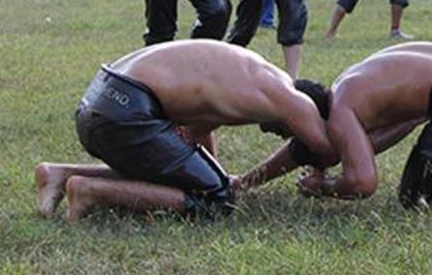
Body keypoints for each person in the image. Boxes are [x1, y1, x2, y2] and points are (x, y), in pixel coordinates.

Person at [234, 38, 432, 211]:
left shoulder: (342, 115)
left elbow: (362, 184)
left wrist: (326, 187)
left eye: (288, 129)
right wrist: (245, 182)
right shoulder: (352, 85)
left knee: (418, 196)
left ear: (306, 118)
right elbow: (310, 152)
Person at [33, 40, 337, 221]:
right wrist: (321, 177)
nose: (280, 136)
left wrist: (209, 175)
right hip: (126, 114)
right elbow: (322, 148)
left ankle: (59, 174)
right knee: (216, 202)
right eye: (289, 132)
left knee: (192, 183)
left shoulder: (250, 79)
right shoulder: (290, 98)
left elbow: (194, 134)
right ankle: (91, 192)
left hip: (98, 104)